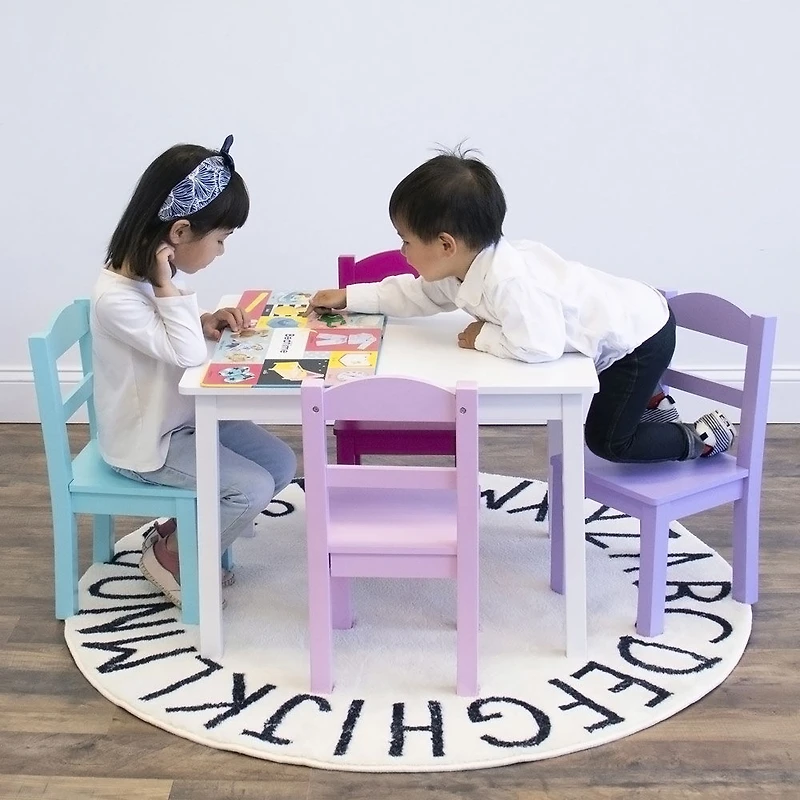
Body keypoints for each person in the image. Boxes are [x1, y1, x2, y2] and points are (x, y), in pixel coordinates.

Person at [310, 149, 735, 463]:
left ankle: (701, 437)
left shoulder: (510, 282)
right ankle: (654, 402)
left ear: (445, 244)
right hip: (628, 312)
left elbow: (540, 345)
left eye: (405, 239)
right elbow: (416, 294)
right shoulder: (465, 267)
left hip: (639, 339)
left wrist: (484, 336)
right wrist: (351, 296)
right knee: (618, 414)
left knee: (608, 442)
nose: (400, 250)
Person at [90, 135, 297, 607]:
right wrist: (168, 287)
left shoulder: (145, 283)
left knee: (280, 464)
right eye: (220, 240)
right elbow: (184, 355)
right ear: (179, 234)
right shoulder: (118, 297)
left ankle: (175, 526)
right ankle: (173, 558)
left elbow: (168, 343)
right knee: (249, 490)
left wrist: (203, 321)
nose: (221, 251)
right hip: (150, 445)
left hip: (185, 420)